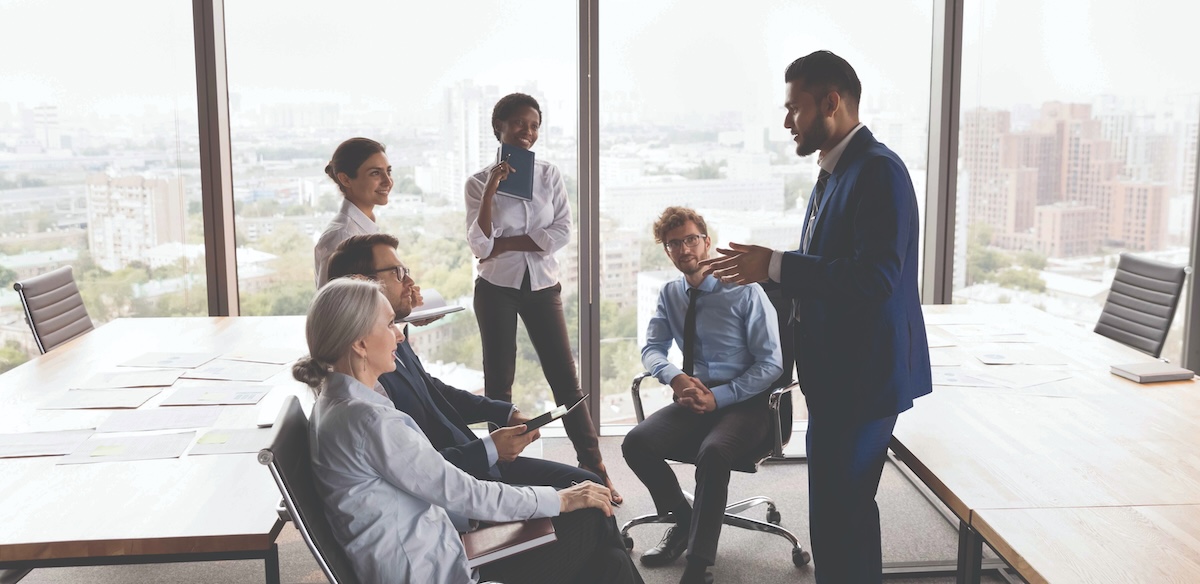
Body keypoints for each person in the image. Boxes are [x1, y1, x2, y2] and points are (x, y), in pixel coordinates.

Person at [701, 50, 933, 583]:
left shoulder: (878, 172)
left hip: (863, 379)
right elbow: (831, 265)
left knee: (843, 512)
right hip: (835, 377)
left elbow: (875, 278)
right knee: (835, 512)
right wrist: (767, 277)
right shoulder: (835, 170)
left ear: (831, 102)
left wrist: (778, 265)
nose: (786, 122)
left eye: (794, 108)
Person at [294, 278, 644, 584]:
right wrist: (560, 498)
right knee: (591, 519)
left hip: (444, 549)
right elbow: (464, 492)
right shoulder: (368, 422)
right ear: (359, 344)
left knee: (607, 564)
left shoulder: (340, 404)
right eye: (389, 325)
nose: (399, 334)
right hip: (443, 571)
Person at [325, 233, 602, 489]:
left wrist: (502, 412)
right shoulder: (369, 375)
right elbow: (421, 472)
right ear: (364, 282)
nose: (410, 282)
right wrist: (490, 450)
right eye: (398, 274)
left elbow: (434, 391)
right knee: (585, 487)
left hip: (474, 462)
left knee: (586, 484)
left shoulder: (393, 336)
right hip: (463, 480)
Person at [464, 92, 621, 502]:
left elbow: (561, 232)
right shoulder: (477, 182)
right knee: (499, 383)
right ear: (499, 127)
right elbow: (481, 247)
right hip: (496, 288)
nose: (527, 132)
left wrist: (508, 241)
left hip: (543, 287)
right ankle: (501, 474)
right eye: (519, 123)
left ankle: (595, 466)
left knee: (565, 380)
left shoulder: (549, 175)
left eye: (533, 125)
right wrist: (490, 194)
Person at [622, 207, 782, 584]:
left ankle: (697, 565)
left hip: (746, 403)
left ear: (706, 242)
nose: (683, 249)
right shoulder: (670, 293)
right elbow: (653, 348)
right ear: (667, 250)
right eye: (673, 243)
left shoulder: (744, 292)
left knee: (713, 452)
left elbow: (771, 364)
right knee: (636, 443)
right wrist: (674, 376)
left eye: (691, 239)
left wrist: (721, 396)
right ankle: (685, 520)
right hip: (694, 398)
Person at [313, 137, 391, 287]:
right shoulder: (343, 236)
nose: (387, 181)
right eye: (375, 173)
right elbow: (334, 306)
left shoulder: (366, 226)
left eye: (388, 171)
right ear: (346, 179)